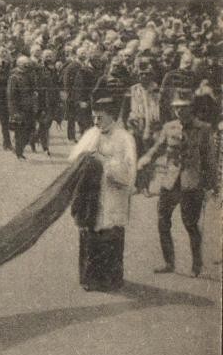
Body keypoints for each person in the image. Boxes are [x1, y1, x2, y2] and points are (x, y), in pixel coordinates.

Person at [137, 90, 216, 277]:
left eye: (183, 107)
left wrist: (210, 185)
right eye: (176, 108)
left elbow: (209, 160)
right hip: (170, 182)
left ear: (191, 108)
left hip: (192, 183)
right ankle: (168, 262)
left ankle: (196, 266)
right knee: (162, 220)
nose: (179, 111)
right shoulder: (169, 127)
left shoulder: (204, 129)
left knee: (190, 224)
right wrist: (146, 158)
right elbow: (158, 148)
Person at [68, 94, 137, 292]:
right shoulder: (91, 134)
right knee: (90, 235)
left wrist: (105, 163)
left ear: (112, 116)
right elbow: (74, 159)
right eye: (94, 117)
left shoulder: (125, 138)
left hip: (113, 195)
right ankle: (89, 279)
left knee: (110, 235)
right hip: (91, 196)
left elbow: (129, 173)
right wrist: (85, 159)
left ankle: (111, 280)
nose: (96, 122)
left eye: (100, 117)